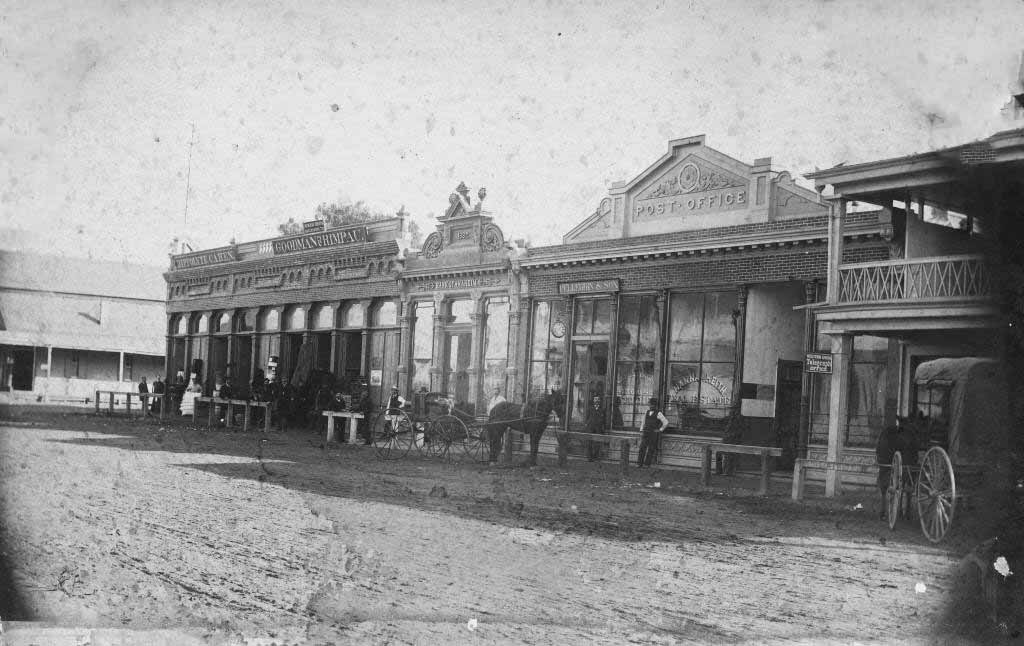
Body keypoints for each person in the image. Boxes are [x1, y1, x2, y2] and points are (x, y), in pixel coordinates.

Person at [875, 416, 920, 520]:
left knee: (887, 479)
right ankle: (906, 509)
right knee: (908, 478)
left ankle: (884, 508)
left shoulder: (887, 433)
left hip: (889, 461)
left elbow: (880, 452)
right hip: (903, 464)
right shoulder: (910, 436)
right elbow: (914, 456)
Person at [637, 397, 669, 467]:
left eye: (652, 405)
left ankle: (647, 464)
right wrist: (641, 430)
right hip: (646, 432)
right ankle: (639, 463)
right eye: (650, 405)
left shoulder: (659, 413)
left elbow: (666, 422)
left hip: (653, 433)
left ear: (655, 405)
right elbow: (643, 422)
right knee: (642, 447)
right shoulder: (647, 412)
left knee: (651, 449)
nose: (651, 406)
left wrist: (660, 430)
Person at [584, 395, 606, 461]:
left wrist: (603, 427)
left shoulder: (602, 410)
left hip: (598, 428)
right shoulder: (590, 409)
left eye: (598, 399)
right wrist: (587, 425)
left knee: (597, 443)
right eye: (595, 399)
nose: (596, 401)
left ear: (599, 401)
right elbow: (587, 418)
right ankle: (589, 457)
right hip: (590, 428)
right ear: (593, 401)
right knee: (589, 442)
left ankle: (595, 456)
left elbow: (604, 420)